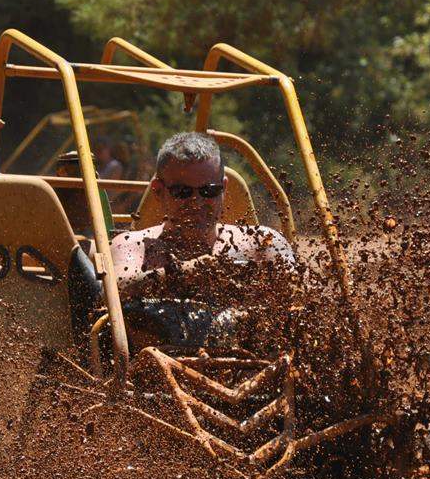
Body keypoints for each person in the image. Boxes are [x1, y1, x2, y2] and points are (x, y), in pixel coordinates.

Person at [103, 132, 294, 349]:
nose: (197, 201)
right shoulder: (132, 245)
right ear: (158, 191)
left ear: (223, 188)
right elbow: (114, 289)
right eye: (182, 191)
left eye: (209, 191)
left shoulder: (261, 243)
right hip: (158, 370)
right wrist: (186, 272)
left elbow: (300, 298)